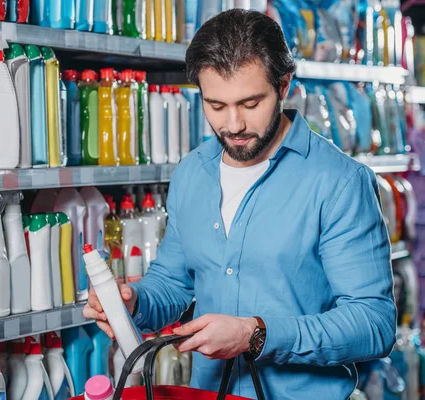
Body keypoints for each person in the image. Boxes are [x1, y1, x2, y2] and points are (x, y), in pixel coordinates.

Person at [84, 9, 396, 399]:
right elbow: (173, 282)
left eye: (250, 104)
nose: (232, 125)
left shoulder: (338, 182)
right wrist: (135, 302)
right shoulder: (192, 174)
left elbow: (374, 324)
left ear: (283, 86)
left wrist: (256, 334)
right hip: (211, 393)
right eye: (215, 106)